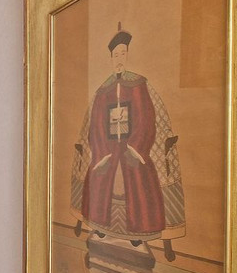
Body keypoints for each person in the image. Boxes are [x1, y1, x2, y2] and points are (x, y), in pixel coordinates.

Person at [71, 24, 185, 260]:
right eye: (116, 55)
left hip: (135, 147)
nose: (119, 59)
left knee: (139, 184)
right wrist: (102, 151)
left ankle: (137, 233)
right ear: (111, 57)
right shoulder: (102, 90)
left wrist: (136, 147)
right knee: (100, 180)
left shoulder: (140, 85)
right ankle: (101, 227)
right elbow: (95, 124)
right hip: (106, 149)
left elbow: (147, 118)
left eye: (123, 53)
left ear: (127, 55)